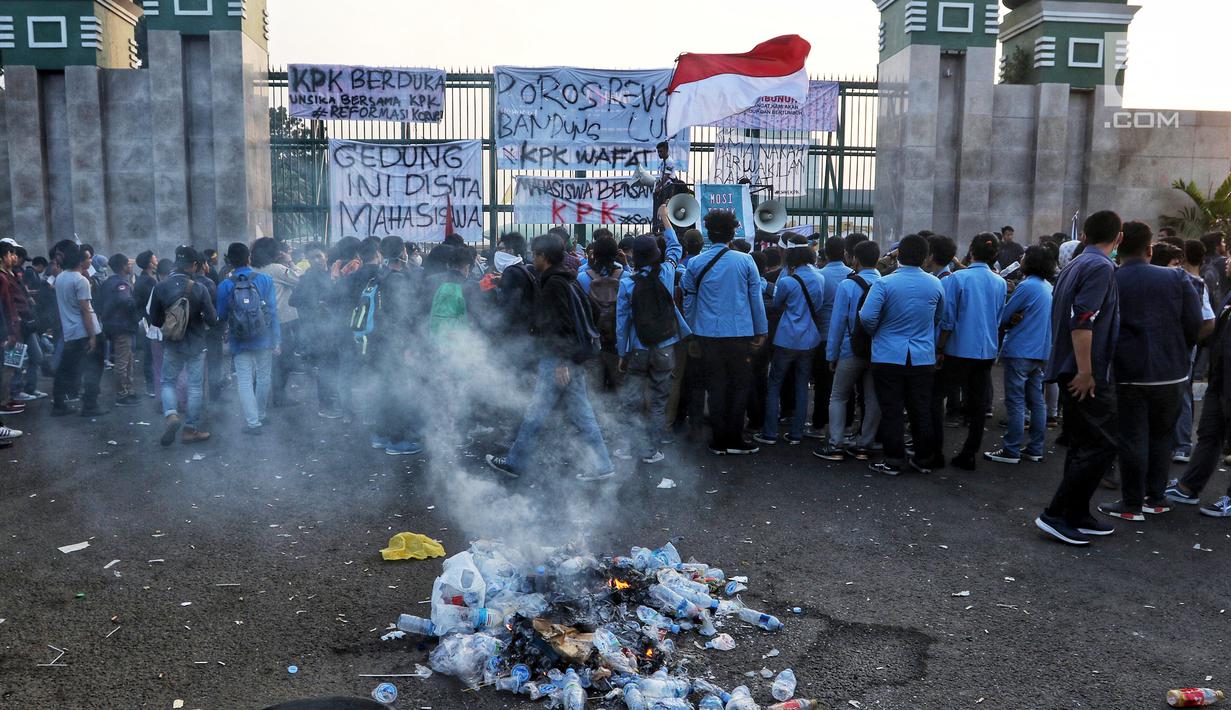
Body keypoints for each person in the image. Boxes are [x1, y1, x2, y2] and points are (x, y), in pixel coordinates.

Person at [1095, 223, 1202, 522]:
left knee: (1133, 436)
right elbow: (1194, 322)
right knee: (1161, 436)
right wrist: (1178, 348)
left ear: (1119, 246)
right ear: (1150, 249)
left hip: (1131, 370)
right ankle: (1155, 497)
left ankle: (1131, 503)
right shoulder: (1177, 276)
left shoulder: (1112, 278)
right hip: (1172, 371)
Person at [487, 232, 615, 480]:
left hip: (558, 360)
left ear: (543, 256)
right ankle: (602, 464)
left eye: (535, 254)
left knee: (538, 411)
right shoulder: (568, 279)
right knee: (576, 412)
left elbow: (560, 325)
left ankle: (516, 462)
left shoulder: (554, 283)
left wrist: (561, 360)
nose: (532, 259)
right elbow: (594, 311)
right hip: (567, 359)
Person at [1034, 211, 1124, 546]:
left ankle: (1076, 512)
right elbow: (1083, 320)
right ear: (1120, 238)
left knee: (1085, 442)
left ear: (1084, 234)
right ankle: (1056, 514)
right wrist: (1087, 372)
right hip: (1084, 371)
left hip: (1072, 366)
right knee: (1101, 443)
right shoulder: (1100, 267)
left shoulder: (1076, 263)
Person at [681, 209, 768, 456]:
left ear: (708, 233)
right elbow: (755, 299)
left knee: (715, 385)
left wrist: (691, 333)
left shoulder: (696, 263)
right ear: (733, 233)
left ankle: (718, 440)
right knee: (740, 385)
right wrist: (761, 330)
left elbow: (689, 302)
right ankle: (735, 437)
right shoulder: (745, 261)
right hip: (739, 334)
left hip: (707, 334)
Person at [858, 234, 944, 476]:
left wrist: (878, 332)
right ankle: (923, 457)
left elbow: (866, 316)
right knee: (920, 408)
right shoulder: (935, 283)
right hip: (922, 355)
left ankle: (894, 458)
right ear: (926, 257)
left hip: (888, 354)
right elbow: (939, 317)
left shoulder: (885, 283)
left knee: (891, 408)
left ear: (899, 255)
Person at [616, 212, 691, 464]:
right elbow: (675, 247)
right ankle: (651, 450)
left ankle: (628, 447)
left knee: (632, 399)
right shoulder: (668, 272)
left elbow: (622, 322)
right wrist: (666, 219)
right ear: (656, 254)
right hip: (665, 347)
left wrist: (622, 353)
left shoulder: (628, 282)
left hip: (637, 348)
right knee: (659, 400)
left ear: (634, 256)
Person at [933, 232, 1006, 471]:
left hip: (958, 348)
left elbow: (947, 320)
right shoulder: (1000, 282)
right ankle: (969, 452)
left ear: (971, 251)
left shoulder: (956, 280)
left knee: (936, 397)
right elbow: (997, 316)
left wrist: (940, 347)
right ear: (995, 254)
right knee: (977, 404)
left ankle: (935, 450)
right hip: (986, 349)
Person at [985, 245, 1055, 464]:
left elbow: (1004, 315)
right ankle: (1035, 447)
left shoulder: (1027, 286)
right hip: (1040, 350)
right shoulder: (1048, 287)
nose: (1021, 259)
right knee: (1037, 401)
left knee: (1015, 401)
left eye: (1024, 256)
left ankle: (1011, 449)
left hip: (1021, 349)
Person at [814, 239, 882, 461]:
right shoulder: (884, 282)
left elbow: (838, 323)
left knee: (839, 396)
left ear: (854, 258)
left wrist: (831, 355)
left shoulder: (848, 285)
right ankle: (865, 443)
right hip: (877, 350)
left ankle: (835, 444)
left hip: (849, 348)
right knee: (872, 398)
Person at [755, 238, 823, 446]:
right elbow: (818, 306)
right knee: (802, 386)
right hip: (810, 338)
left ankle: (770, 432)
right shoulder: (820, 278)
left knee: (774, 383)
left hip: (786, 337)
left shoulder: (787, 281)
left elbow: (777, 303)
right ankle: (796, 433)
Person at [149, 246, 218, 445]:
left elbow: (154, 320)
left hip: (172, 343)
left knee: (168, 381)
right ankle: (190, 429)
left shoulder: (161, 287)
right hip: (196, 343)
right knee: (195, 387)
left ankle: (170, 414)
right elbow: (213, 320)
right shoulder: (199, 288)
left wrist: (171, 321)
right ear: (194, 265)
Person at [367, 236, 425, 455]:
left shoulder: (381, 274)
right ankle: (398, 440)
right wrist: (409, 346)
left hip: (380, 340)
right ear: (402, 252)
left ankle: (381, 435)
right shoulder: (397, 280)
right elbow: (403, 315)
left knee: (386, 387)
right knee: (400, 390)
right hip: (397, 342)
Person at [216, 242, 280, 435]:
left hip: (239, 339)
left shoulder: (225, 284)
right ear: (249, 258)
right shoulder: (266, 280)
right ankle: (261, 414)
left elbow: (221, 313)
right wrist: (277, 339)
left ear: (229, 261)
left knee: (244, 380)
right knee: (263, 376)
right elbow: (273, 312)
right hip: (264, 336)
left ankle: (253, 423)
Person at [51, 244, 106, 417]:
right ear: (80, 260)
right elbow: (85, 310)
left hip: (71, 333)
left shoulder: (60, 278)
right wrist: (92, 337)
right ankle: (90, 405)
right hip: (87, 331)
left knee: (65, 369)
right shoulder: (80, 280)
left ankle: (59, 404)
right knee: (94, 368)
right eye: (87, 258)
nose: (89, 261)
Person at [288, 243, 341, 419]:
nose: (316, 260)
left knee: (335, 366)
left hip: (337, 328)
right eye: (312, 258)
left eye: (319, 255)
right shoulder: (307, 278)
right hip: (319, 331)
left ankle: (335, 400)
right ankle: (325, 406)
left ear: (326, 255)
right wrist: (315, 304)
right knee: (326, 367)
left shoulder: (334, 273)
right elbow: (293, 300)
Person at [807, 237, 852, 439]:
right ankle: (848, 424)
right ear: (844, 253)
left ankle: (818, 424)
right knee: (848, 385)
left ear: (825, 254)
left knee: (823, 385)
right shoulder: (852, 275)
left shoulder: (820, 275)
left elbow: (815, 306)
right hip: (848, 338)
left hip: (823, 335)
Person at [253, 237, 302, 407]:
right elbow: (299, 279)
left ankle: (256, 395)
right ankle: (279, 395)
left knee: (262, 360)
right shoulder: (277, 269)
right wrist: (290, 261)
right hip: (282, 320)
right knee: (284, 360)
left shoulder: (252, 269)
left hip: (260, 320)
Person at [98, 253, 140, 407]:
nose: (131, 267)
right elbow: (126, 301)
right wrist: (136, 309)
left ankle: (128, 390)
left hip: (113, 325)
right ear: (123, 267)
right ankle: (122, 394)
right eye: (129, 264)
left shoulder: (109, 282)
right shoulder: (121, 284)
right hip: (122, 325)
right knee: (123, 361)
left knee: (127, 359)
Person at [133, 250, 160, 397]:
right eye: (154, 256)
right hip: (147, 322)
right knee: (150, 354)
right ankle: (151, 386)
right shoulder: (148, 281)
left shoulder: (146, 278)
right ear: (150, 263)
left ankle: (152, 384)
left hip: (146, 320)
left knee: (150, 353)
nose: (156, 258)